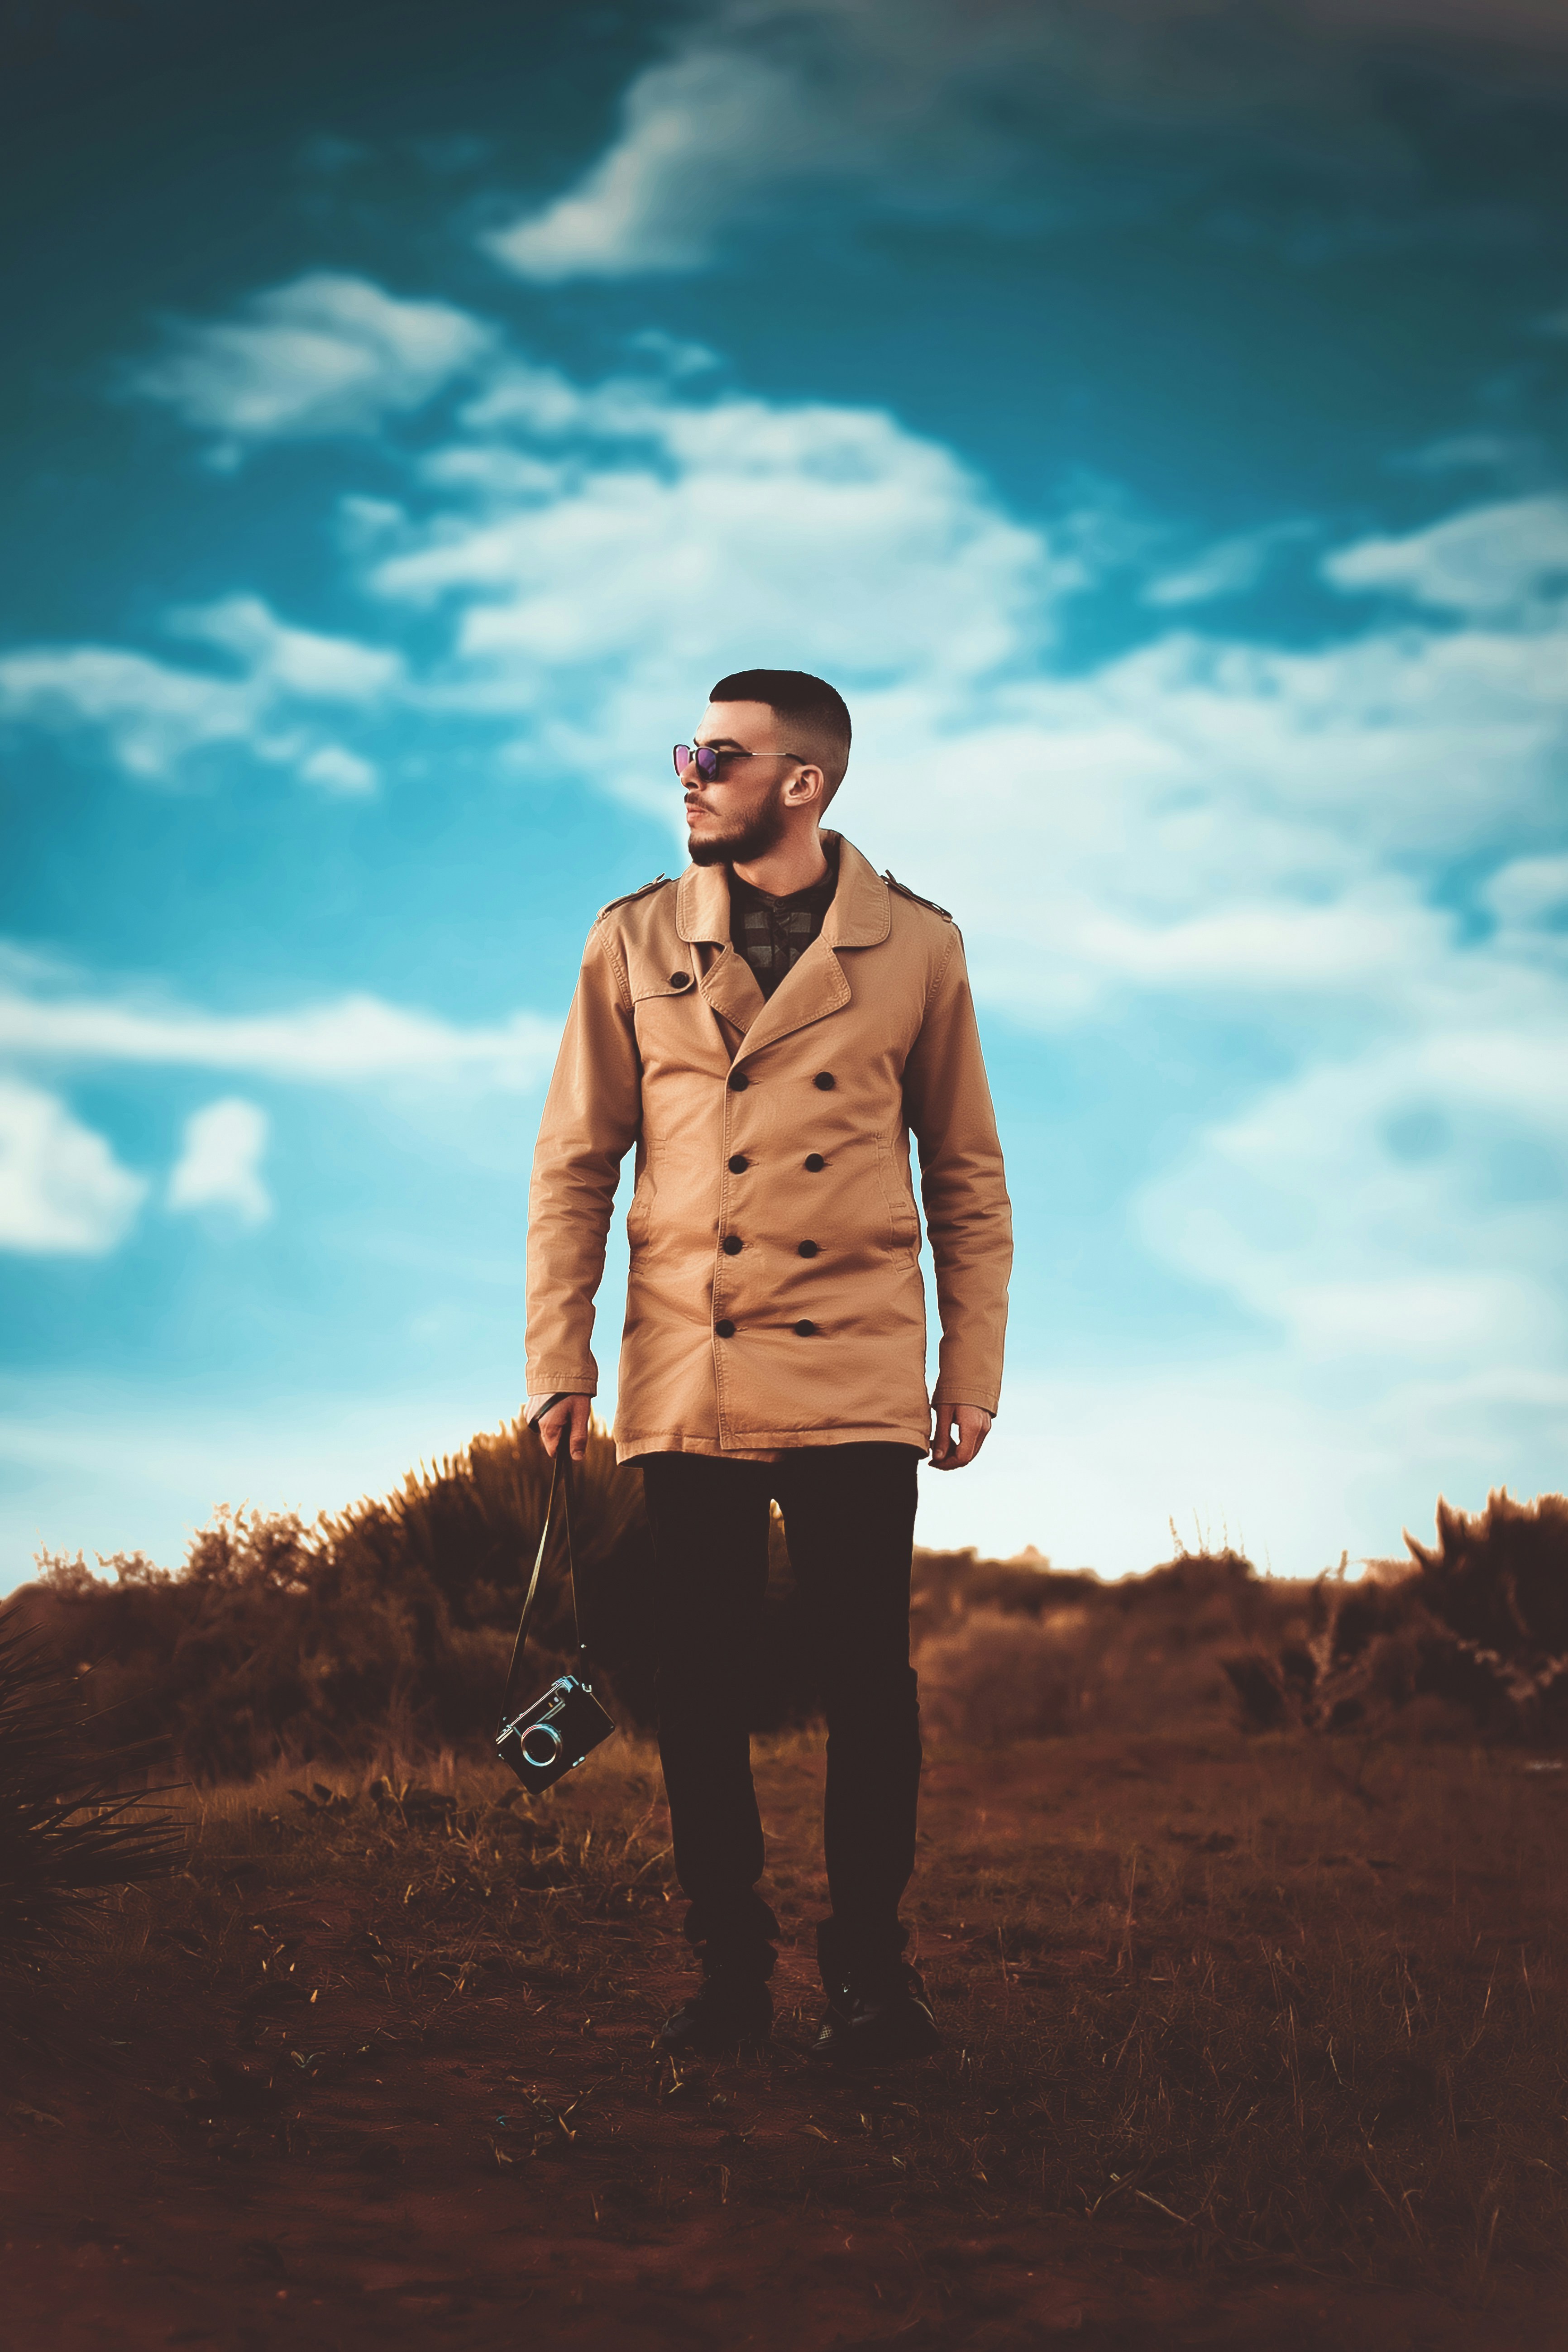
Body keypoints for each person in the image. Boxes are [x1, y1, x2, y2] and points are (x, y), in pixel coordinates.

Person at [524, 669, 1012, 2068]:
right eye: (688, 750)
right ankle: (728, 1968)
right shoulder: (630, 941)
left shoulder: (917, 948)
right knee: (701, 1676)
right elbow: (576, 1164)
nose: (688, 773)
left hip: (857, 1361)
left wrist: (968, 1364)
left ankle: (871, 1972)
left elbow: (967, 1171)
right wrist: (561, 1358)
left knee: (870, 1677)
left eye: (718, 756)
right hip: (690, 1361)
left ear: (803, 782)